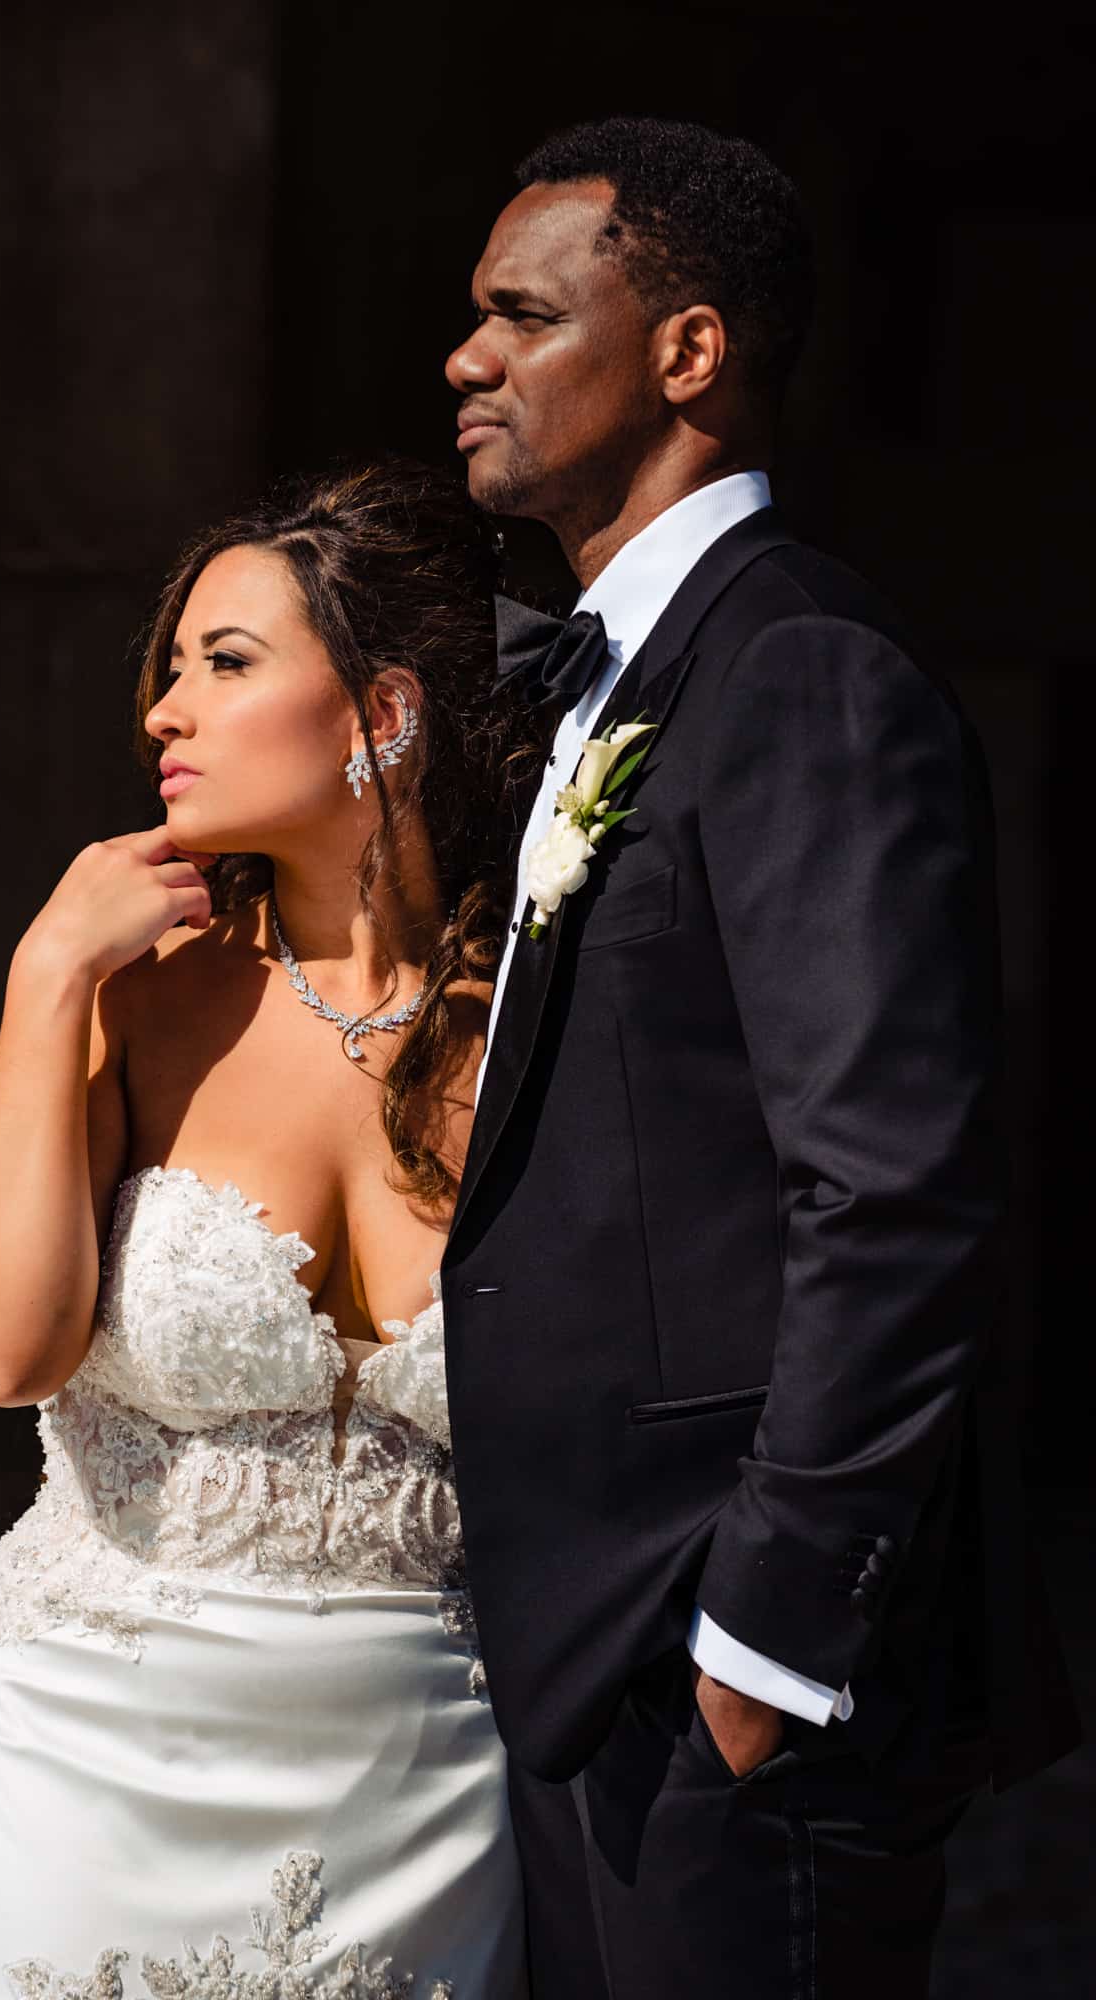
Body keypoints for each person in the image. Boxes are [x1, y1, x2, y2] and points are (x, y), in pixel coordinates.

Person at [440, 114, 1079, 1999]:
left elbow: (894, 1190)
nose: (464, 357)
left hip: (722, 1676)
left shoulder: (799, 668)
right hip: (586, 1665)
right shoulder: (605, 677)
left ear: (689, 353)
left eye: (521, 315)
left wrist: (761, 1647)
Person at [0, 462, 542, 1999]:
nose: (164, 712)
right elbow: (2, 1353)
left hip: (420, 1792)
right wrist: (46, 977)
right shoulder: (132, 999)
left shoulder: (534, 1032)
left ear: (382, 713)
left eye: (227, 663)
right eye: (171, 669)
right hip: (79, 1752)